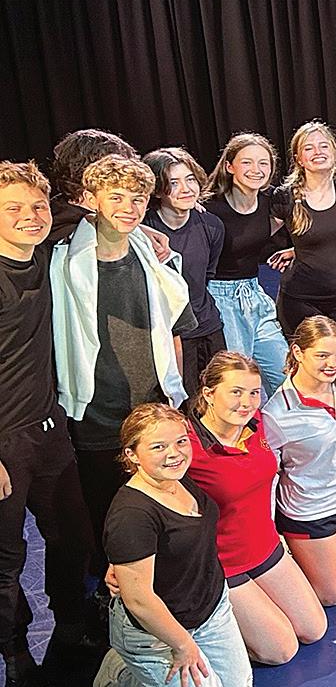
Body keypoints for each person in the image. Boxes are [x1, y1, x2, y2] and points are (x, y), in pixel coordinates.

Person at [53, 155, 195, 582]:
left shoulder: (154, 259)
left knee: (160, 503)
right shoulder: (61, 262)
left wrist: (174, 404)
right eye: (116, 197)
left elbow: (175, 331)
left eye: (138, 199)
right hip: (95, 413)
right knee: (105, 513)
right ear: (91, 199)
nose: (129, 208)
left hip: (151, 408)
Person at [93, 404, 253, 687]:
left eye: (181, 441)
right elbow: (138, 600)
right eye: (158, 446)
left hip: (209, 609)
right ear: (132, 455)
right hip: (157, 632)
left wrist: (124, 560)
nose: (174, 453)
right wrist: (182, 644)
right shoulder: (132, 514)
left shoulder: (178, 479)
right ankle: (121, 673)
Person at [0, 161, 94, 687]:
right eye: (12, 209)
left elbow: (81, 209)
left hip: (48, 428)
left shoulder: (44, 250)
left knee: (71, 536)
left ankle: (72, 631)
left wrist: (152, 235)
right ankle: (18, 668)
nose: (30, 217)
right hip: (4, 444)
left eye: (36, 206)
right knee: (6, 562)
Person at [186, 352, 325, 665]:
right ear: (208, 393)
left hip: (266, 547)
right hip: (223, 565)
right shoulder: (188, 447)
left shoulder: (258, 423)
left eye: (253, 393)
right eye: (235, 392)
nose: (246, 402)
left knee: (313, 629)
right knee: (282, 650)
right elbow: (149, 496)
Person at [263, 316, 336, 607]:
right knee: (332, 595)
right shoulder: (276, 413)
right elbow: (269, 476)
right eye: (322, 355)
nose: (333, 364)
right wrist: (271, 530)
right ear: (298, 353)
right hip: (309, 511)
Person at [204, 133, 289, 396]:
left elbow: (314, 198)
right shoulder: (209, 208)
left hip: (254, 295)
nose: (256, 169)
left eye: (263, 163)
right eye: (247, 162)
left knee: (285, 375)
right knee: (238, 382)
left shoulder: (271, 201)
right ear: (229, 166)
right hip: (220, 298)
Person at [144, 148, 226, 405]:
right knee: (186, 406)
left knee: (221, 398)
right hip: (172, 336)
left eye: (190, 179)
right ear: (157, 190)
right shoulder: (144, 231)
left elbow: (207, 274)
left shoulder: (211, 225)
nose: (186, 189)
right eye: (174, 183)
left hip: (209, 326)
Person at [269, 122, 336, 343]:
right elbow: (254, 234)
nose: (318, 152)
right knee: (306, 360)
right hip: (300, 300)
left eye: (324, 146)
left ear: (335, 152)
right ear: (299, 159)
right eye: (308, 148)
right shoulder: (285, 196)